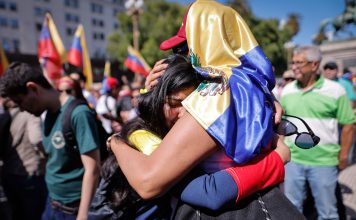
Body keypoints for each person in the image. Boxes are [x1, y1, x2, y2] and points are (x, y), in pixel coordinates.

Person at [110, 1, 303, 218]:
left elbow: (149, 182)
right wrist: (152, 93)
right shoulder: (250, 86)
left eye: (184, 48)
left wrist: (115, 141)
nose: (178, 57)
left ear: (207, 41)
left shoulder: (217, 93)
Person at [91, 55, 290, 219]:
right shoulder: (144, 138)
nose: (185, 114)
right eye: (175, 103)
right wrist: (277, 159)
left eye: (191, 105)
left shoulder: (158, 127)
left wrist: (267, 99)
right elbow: (210, 192)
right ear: (156, 101)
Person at [0, 62, 101, 220]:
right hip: (51, 204)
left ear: (33, 88)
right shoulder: (44, 114)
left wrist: (83, 215)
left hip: (73, 210)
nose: (20, 108)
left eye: (20, 101)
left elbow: (93, 169)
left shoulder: (78, 113)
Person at [280, 45, 355, 219]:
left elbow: (349, 124)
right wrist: (281, 149)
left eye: (299, 62)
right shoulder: (288, 90)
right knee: (291, 209)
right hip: (293, 161)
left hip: (324, 162)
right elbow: (284, 124)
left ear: (314, 65)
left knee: (327, 213)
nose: (294, 67)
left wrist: (343, 156)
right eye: (293, 62)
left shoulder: (336, 90)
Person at [1, 98, 47, 220]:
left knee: (16, 213)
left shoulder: (5, 115)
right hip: (30, 173)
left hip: (8, 174)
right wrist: (49, 155)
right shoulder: (30, 114)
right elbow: (36, 138)